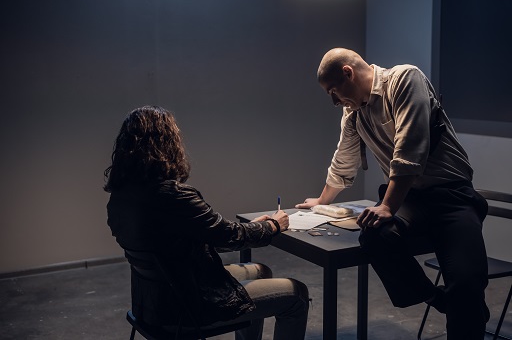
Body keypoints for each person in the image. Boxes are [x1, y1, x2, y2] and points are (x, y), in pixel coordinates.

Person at [296, 48, 489, 339]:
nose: (335, 101)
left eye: (333, 91)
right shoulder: (353, 113)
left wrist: (387, 206)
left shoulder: (404, 79)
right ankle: (437, 299)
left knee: (466, 285)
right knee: (375, 234)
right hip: (411, 199)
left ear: (348, 73)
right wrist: (323, 201)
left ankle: (461, 307)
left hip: (453, 197)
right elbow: (344, 160)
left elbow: (410, 148)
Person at [104, 106, 309, 340]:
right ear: (167, 143)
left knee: (261, 271)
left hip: (152, 305)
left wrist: (254, 228)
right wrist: (272, 226)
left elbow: (200, 237)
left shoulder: (121, 197)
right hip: (187, 308)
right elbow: (228, 236)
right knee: (297, 294)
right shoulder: (174, 196)